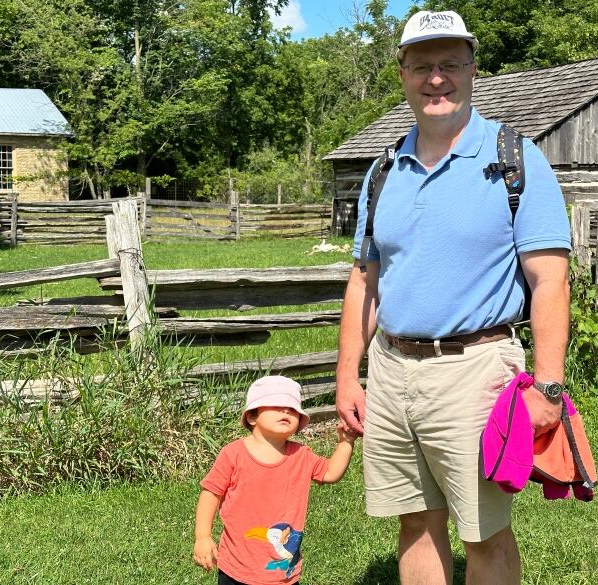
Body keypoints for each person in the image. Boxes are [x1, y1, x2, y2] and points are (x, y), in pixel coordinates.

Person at [335, 9, 572, 585]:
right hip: (391, 371)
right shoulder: (383, 170)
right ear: (403, 74)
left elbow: (550, 281)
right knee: (414, 522)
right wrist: (347, 375)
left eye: (449, 65)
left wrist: (548, 385)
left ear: (471, 71)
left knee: (484, 533)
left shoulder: (516, 159)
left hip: (478, 370)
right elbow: (365, 280)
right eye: (422, 66)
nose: (435, 79)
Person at [193, 375, 357, 585]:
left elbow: (330, 473)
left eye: (293, 409)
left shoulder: (301, 456)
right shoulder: (233, 455)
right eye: (277, 405)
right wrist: (203, 536)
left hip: (282, 573)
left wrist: (346, 442)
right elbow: (211, 493)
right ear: (252, 416)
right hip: (236, 567)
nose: (286, 410)